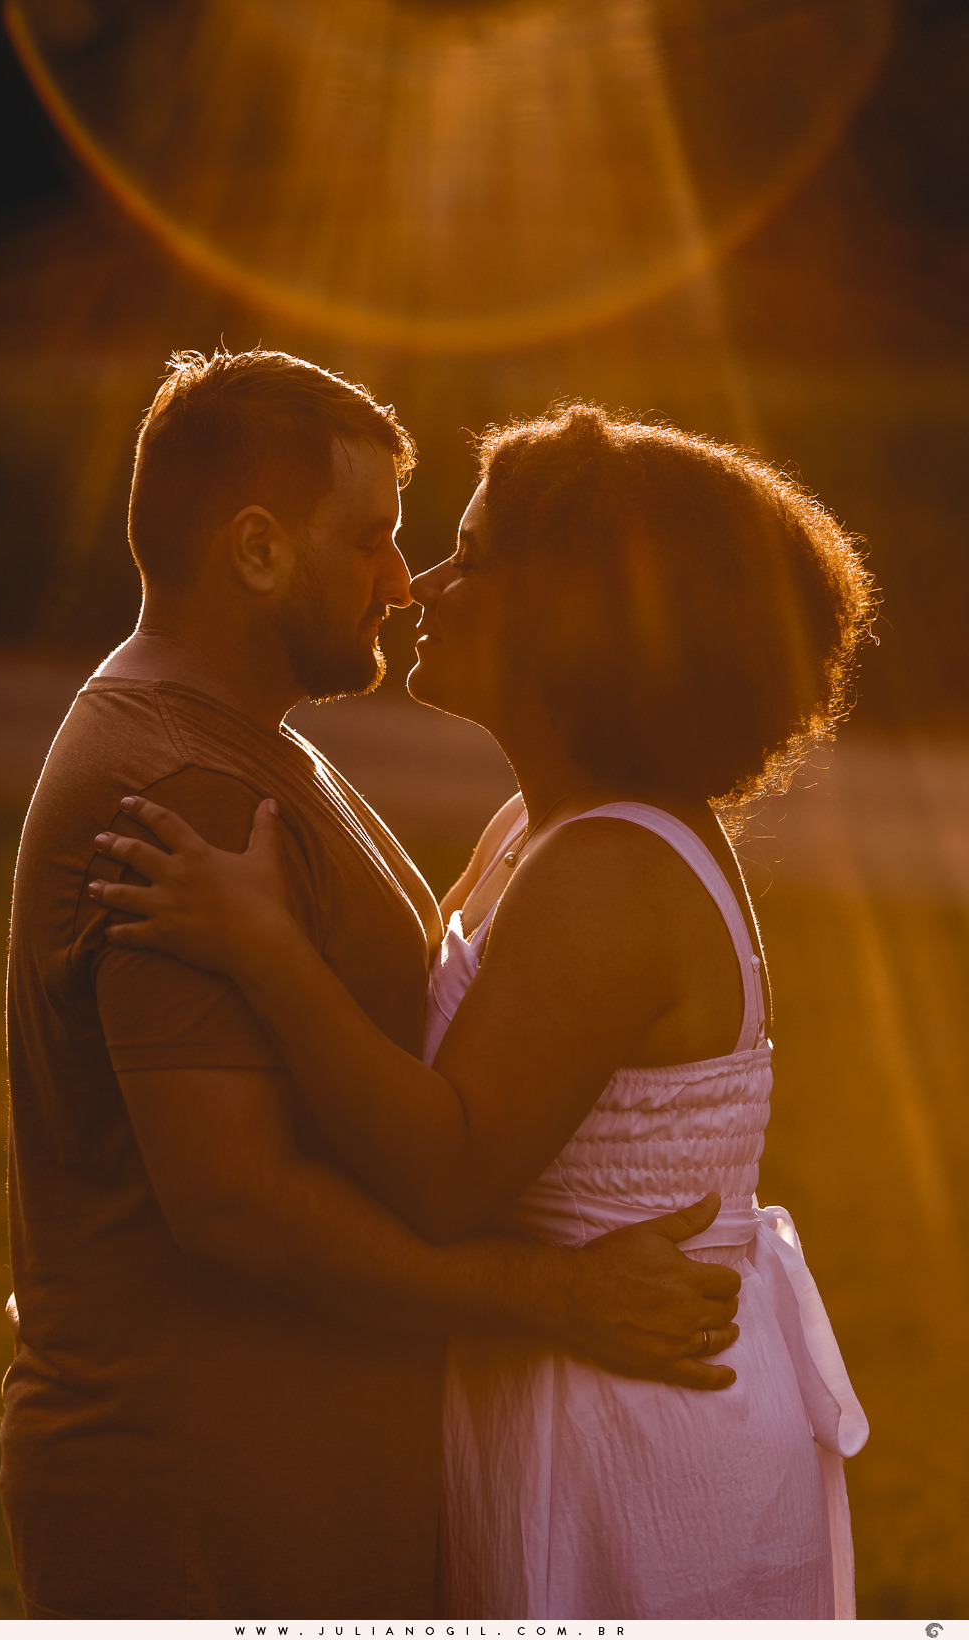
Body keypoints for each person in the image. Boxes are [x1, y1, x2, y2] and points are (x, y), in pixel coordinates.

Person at [88, 402, 874, 1619]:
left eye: (472, 556)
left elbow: (447, 1168)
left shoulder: (609, 869)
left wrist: (260, 949)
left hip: (634, 1427)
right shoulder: (540, 831)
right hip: (560, 1381)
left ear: (577, 613)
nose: (423, 587)